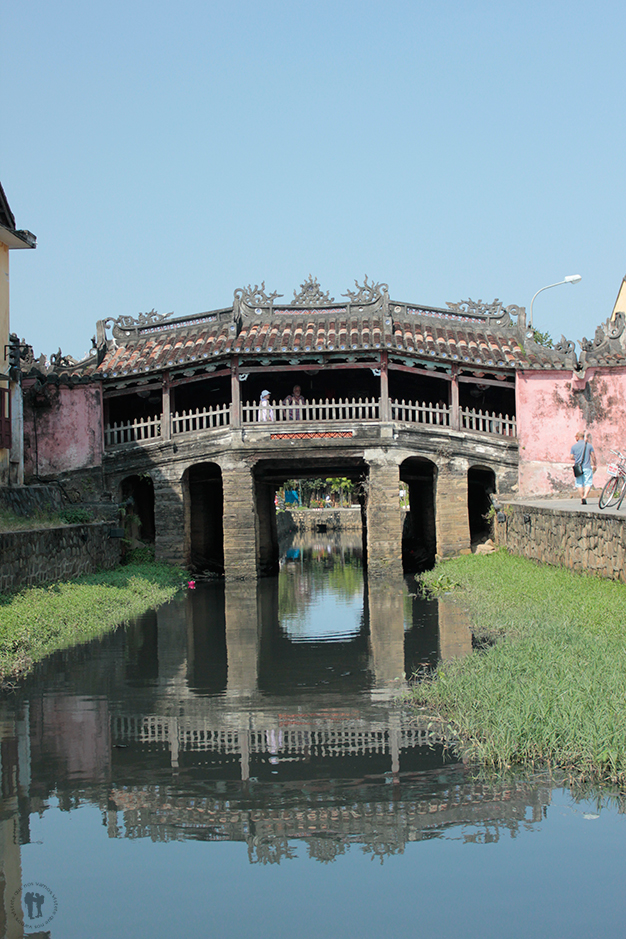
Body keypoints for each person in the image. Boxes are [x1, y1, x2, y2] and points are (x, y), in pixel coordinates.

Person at [570, 430, 596, 504]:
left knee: (579, 483)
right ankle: (585, 496)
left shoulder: (574, 447)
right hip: (587, 467)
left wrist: (577, 457)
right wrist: (595, 464)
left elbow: (571, 457)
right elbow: (593, 456)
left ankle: (582, 497)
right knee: (588, 482)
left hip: (578, 468)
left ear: (578, 437)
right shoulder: (589, 445)